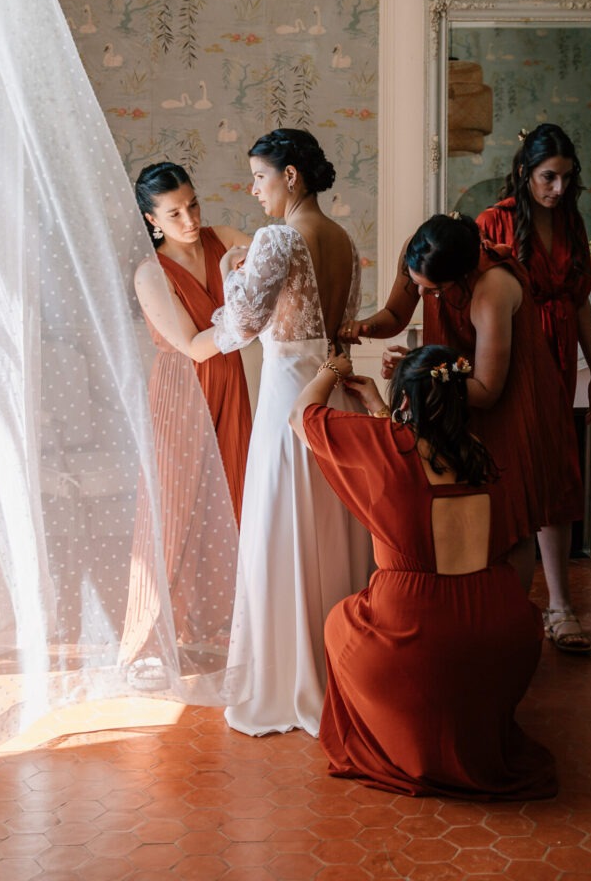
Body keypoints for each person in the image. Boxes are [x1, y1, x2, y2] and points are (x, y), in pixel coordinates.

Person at [289, 343, 557, 800]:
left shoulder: (388, 444)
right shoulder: (478, 454)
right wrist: (379, 407)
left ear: (407, 401)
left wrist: (334, 368)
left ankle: (402, 742)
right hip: (499, 629)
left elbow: (301, 416)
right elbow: (422, 456)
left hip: (417, 630)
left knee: (340, 622)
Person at [212, 128, 372, 737]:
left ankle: (287, 681)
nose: (253, 190)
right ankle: (339, 669)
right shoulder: (343, 239)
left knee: (283, 529)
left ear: (291, 176)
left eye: (259, 176)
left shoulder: (278, 239)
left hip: (289, 404)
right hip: (336, 401)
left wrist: (231, 272)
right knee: (332, 531)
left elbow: (241, 326)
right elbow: (341, 327)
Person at [340, 213, 584, 599]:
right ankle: (476, 613)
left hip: (511, 400)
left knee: (511, 516)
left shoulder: (493, 289)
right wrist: (361, 326)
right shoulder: (420, 252)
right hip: (456, 388)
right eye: (417, 285)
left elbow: (487, 389)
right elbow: (394, 315)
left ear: (459, 279)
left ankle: (516, 616)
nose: (421, 295)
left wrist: (416, 371)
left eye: (432, 291)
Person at [119, 162, 253, 678]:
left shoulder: (224, 239)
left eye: (193, 204)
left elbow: (281, 255)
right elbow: (195, 348)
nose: (190, 219)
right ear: (152, 221)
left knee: (233, 495)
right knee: (175, 507)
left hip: (231, 386)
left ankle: (220, 619)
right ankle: (153, 633)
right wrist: (246, 314)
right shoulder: (150, 274)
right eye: (173, 213)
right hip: (182, 391)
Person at [476, 124, 591, 653]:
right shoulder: (494, 220)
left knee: (556, 474)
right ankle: (504, 610)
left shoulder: (571, 222)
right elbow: (476, 301)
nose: (557, 188)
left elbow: (577, 303)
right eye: (549, 177)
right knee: (510, 474)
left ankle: (560, 605)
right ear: (526, 173)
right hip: (515, 354)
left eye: (566, 178)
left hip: (559, 360)